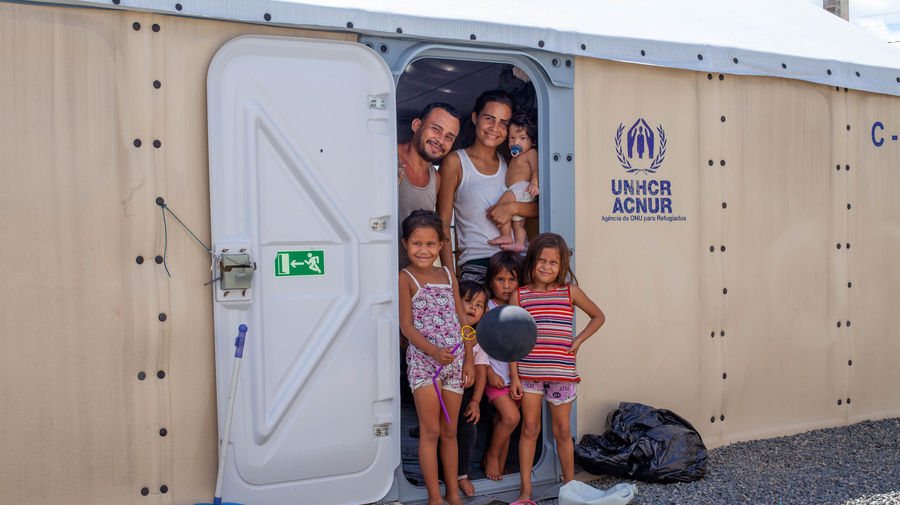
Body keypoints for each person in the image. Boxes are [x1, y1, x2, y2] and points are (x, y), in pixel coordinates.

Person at [509, 233, 606, 503]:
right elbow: (513, 340)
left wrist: (578, 341)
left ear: (561, 265)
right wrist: (514, 376)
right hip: (529, 376)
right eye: (541, 260)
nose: (546, 266)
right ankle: (525, 491)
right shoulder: (520, 296)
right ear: (531, 261)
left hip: (562, 375)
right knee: (529, 429)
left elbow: (598, 316)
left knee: (562, 431)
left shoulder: (569, 292)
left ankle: (570, 488)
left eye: (553, 262)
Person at [399, 210, 474, 505]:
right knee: (430, 431)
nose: (424, 250)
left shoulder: (447, 275)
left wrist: (468, 359)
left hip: (454, 365)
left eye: (431, 244)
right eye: (417, 243)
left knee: (450, 430)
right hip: (424, 365)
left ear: (442, 244)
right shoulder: (405, 277)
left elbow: (462, 320)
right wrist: (433, 352)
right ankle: (434, 497)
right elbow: (406, 325)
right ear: (405, 244)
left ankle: (452, 493)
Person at [437, 90, 538, 283]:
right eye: (489, 119)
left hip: (518, 264)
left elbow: (541, 208)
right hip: (477, 265)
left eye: (503, 123)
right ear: (475, 117)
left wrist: (512, 208)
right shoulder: (455, 162)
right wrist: (450, 278)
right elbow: (442, 223)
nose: (494, 128)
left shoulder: (511, 164)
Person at [398, 103, 461, 269]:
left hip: (414, 280)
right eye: (436, 129)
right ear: (416, 125)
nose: (440, 140)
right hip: (378, 275)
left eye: (449, 137)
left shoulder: (436, 178)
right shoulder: (387, 157)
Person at [482, 251, 525, 480]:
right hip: (496, 376)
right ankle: (491, 455)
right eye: (501, 279)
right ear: (491, 282)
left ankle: (499, 463)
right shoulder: (487, 308)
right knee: (511, 418)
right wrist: (488, 372)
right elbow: (477, 344)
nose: (507, 286)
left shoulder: (521, 309)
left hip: (516, 378)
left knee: (503, 423)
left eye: (512, 279)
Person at [455, 280, 490, 496]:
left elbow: (482, 373)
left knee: (468, 432)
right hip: (441, 394)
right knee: (439, 433)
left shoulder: (480, 341)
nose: (472, 307)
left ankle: (461, 474)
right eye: (467, 301)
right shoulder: (446, 331)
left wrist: (476, 402)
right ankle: (443, 473)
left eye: (478, 305)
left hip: (465, 396)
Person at [488, 110, 539, 253]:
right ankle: (519, 243)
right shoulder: (516, 156)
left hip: (523, 188)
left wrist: (535, 183)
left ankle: (505, 235)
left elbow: (536, 170)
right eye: (512, 138)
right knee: (518, 225)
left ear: (533, 141)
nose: (515, 142)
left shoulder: (531, 153)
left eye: (522, 138)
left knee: (501, 205)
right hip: (516, 190)